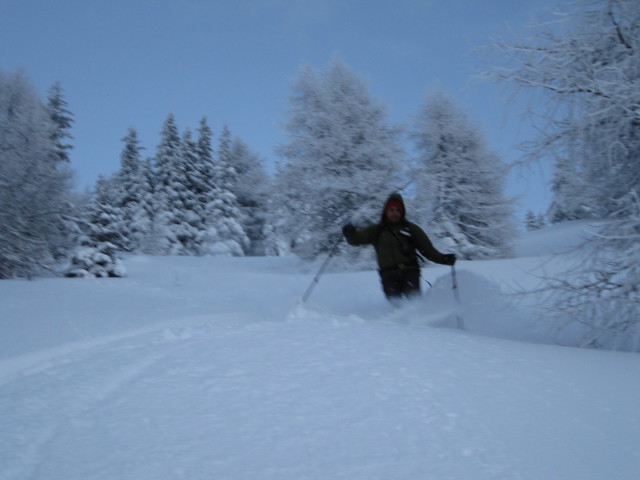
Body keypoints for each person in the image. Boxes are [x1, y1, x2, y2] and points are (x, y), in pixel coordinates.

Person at [342, 192, 456, 302]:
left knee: (414, 303)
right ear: (385, 211)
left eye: (398, 210)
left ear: (402, 213)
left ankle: (419, 320)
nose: (394, 213)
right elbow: (355, 240)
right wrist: (350, 233)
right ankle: (397, 321)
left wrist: (443, 259)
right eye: (391, 210)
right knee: (396, 305)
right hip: (388, 275)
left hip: (410, 272)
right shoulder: (376, 230)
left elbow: (428, 250)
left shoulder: (411, 229)